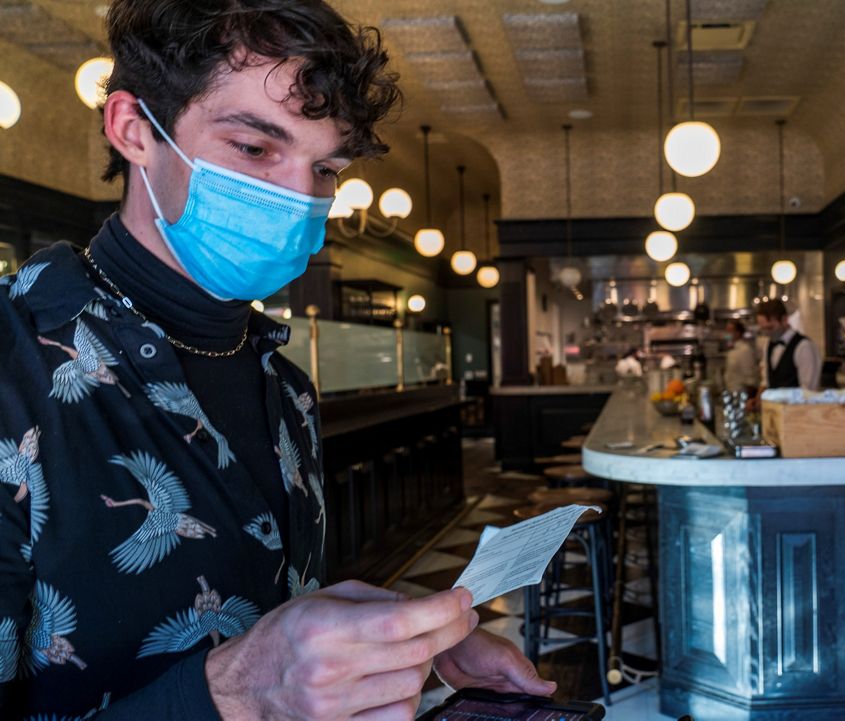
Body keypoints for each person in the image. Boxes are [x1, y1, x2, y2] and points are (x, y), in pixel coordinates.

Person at [0, 1, 553, 719]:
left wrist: (400, 639)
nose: (300, 196)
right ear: (134, 130)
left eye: (324, 167)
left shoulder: (283, 383)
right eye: (256, 148)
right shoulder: (16, 365)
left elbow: (265, 603)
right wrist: (229, 693)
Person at [755, 298, 821, 391]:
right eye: (763, 329)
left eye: (770, 328)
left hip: (796, 405)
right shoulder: (768, 345)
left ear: (784, 320)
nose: (766, 333)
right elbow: (766, 380)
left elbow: (808, 390)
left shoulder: (804, 346)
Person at [722, 319, 760, 394]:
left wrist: (749, 397)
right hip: (731, 392)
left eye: (730, 331)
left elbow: (750, 378)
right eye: (726, 331)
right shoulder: (731, 350)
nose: (727, 334)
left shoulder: (744, 350)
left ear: (738, 333)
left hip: (741, 394)